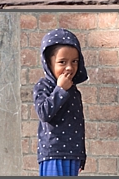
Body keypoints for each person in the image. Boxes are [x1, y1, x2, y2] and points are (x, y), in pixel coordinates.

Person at [33, 28, 87, 176]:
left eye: (74, 61)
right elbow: (44, 113)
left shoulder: (74, 91)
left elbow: (78, 126)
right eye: (62, 62)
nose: (69, 67)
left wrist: (81, 155)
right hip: (53, 154)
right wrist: (60, 90)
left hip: (73, 154)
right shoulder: (44, 86)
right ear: (48, 64)